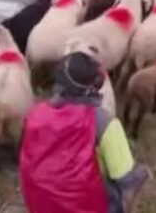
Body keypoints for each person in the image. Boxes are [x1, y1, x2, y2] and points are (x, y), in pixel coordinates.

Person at [20, 52, 148, 213]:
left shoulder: (35, 115)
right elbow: (126, 178)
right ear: (96, 84)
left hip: (41, 204)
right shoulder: (104, 123)